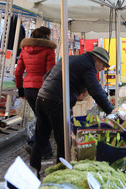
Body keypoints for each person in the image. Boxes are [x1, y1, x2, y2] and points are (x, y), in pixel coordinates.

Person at [30, 47, 114, 178]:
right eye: (103, 64)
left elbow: (47, 76)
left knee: (41, 138)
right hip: (57, 102)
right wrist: (110, 110)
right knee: (64, 142)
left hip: (41, 98)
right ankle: (59, 176)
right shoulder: (88, 65)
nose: (103, 68)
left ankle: (33, 172)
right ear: (96, 58)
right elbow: (95, 90)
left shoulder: (70, 58)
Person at [14, 26, 56, 158]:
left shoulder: (24, 50)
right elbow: (50, 73)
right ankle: (34, 144)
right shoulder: (49, 50)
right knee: (45, 120)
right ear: (46, 36)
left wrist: (20, 90)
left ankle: (45, 151)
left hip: (28, 89)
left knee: (42, 119)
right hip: (42, 89)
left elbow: (18, 72)